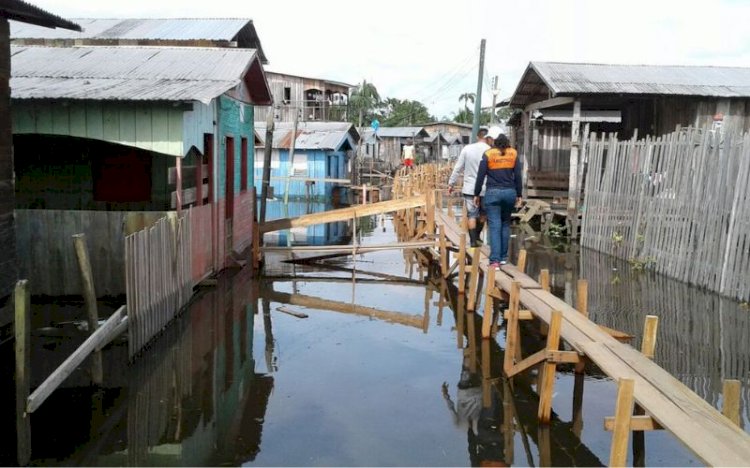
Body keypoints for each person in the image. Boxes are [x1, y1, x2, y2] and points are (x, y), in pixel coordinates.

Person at [474, 128, 522, 270]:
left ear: (493, 140)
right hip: (509, 193)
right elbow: (518, 176)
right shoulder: (513, 153)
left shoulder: (488, 154)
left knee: (494, 225)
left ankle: (494, 260)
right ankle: (502, 258)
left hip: (493, 193)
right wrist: (519, 194)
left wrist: (476, 194)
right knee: (505, 224)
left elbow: (480, 176)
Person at [448, 128, 490, 247]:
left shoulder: (467, 149)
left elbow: (458, 167)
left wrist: (451, 183)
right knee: (483, 214)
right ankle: (477, 236)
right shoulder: (491, 150)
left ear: (477, 136)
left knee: (472, 214)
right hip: (486, 188)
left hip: (470, 188)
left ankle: (472, 241)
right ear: (488, 137)